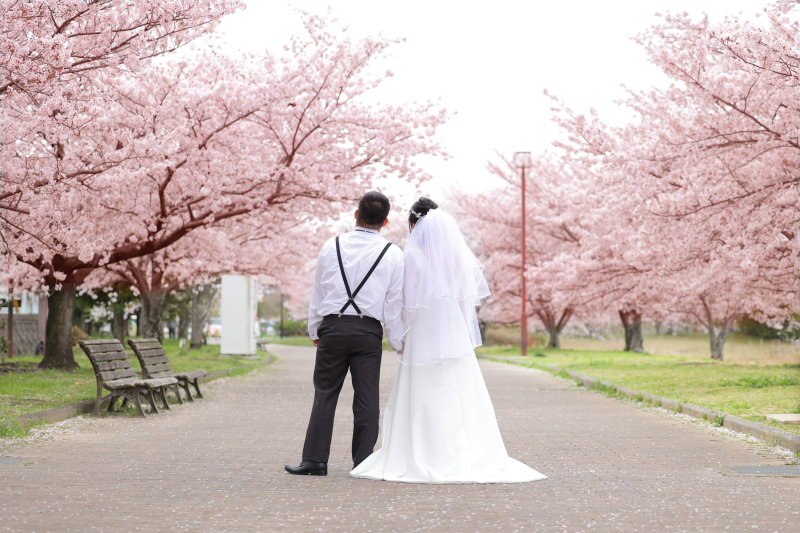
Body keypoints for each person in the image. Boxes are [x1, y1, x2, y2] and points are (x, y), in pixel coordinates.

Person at [350, 198, 547, 484]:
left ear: (415, 224)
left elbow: (409, 303)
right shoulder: (456, 255)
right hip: (452, 328)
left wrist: (398, 334)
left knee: (422, 386)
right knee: (459, 386)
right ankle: (466, 451)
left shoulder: (414, 255)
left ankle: (421, 450)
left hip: (424, 329)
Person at [285, 191, 404, 476]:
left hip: (333, 328)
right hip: (368, 332)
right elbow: (394, 303)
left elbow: (319, 290)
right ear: (385, 221)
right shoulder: (393, 253)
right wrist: (397, 341)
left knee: (324, 394)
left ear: (356, 214)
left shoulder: (331, 245)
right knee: (367, 398)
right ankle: (363, 462)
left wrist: (314, 328)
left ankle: (314, 460)